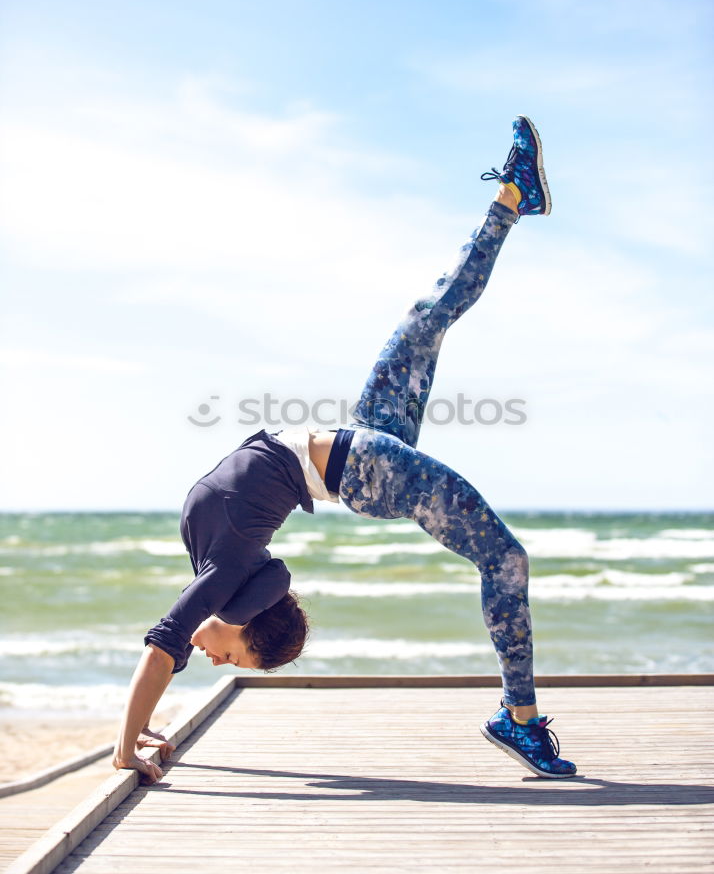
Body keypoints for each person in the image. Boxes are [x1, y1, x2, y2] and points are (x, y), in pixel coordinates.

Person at [113, 116, 577, 783]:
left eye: (230, 662)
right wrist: (129, 741)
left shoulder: (219, 565)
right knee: (505, 557)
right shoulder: (229, 568)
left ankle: (511, 198)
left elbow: (173, 642)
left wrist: (133, 738)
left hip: (362, 440)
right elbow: (166, 650)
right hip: (367, 469)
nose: (216, 661)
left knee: (431, 312)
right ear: (245, 621)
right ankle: (520, 718)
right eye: (236, 661)